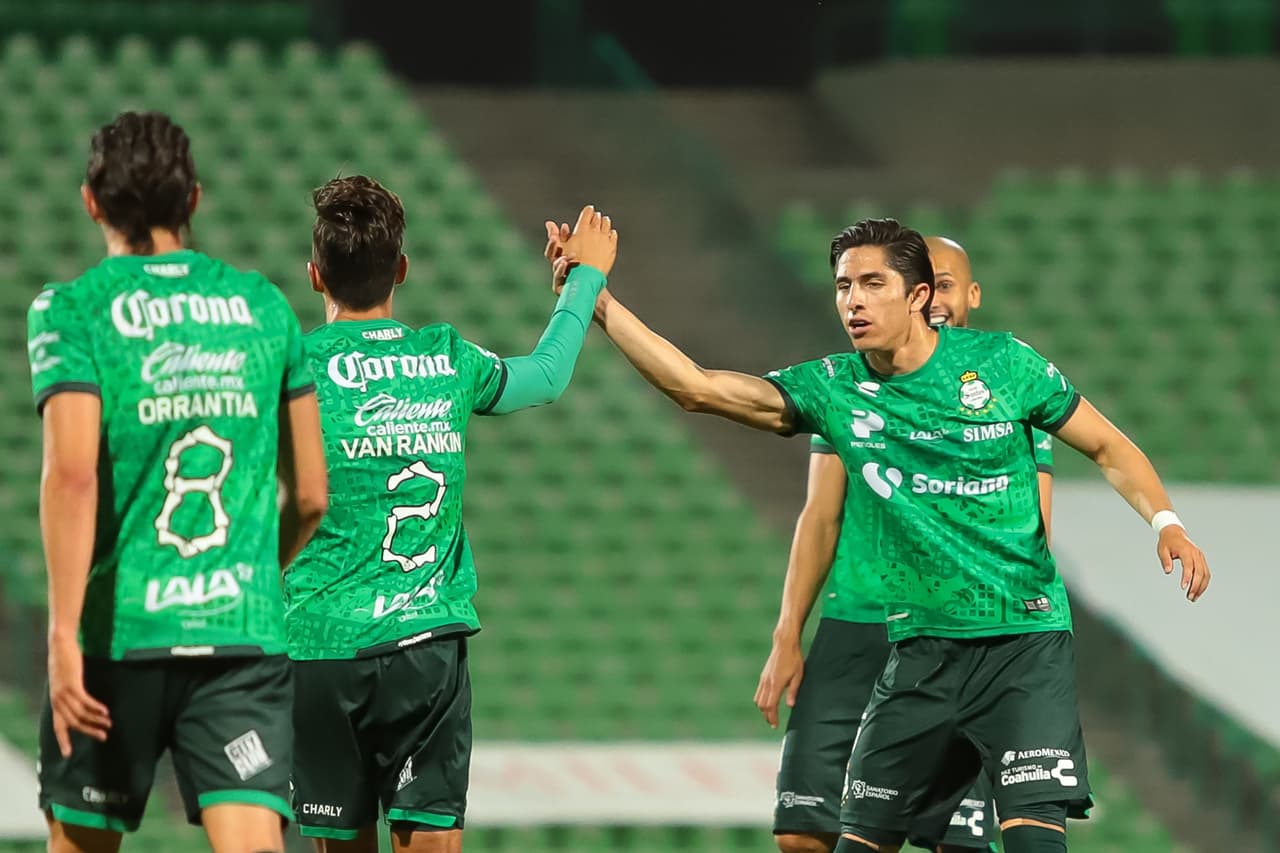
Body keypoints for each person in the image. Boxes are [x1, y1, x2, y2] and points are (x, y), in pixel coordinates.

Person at [543, 217, 1208, 853]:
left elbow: (1108, 445)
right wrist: (596, 299)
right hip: (919, 653)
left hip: (1022, 647)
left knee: (1032, 839)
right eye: (843, 286)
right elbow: (699, 388)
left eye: (871, 284)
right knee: (850, 839)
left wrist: (1166, 522)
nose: (852, 301)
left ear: (918, 297)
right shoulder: (837, 387)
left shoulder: (1004, 364)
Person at [27, 111, 328, 853]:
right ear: (193, 198)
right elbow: (312, 494)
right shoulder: (265, 307)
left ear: (91, 202)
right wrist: (255, 571)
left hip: (119, 636)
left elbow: (71, 476)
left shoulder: (72, 310)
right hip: (240, 635)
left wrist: (62, 634)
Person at [285, 180, 616, 853]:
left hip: (319, 650)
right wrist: (584, 281)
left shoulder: (292, 369)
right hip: (424, 652)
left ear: (315, 273)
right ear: (401, 270)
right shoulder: (445, 356)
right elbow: (547, 375)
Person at [756, 235, 1054, 853]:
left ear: (971, 294)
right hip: (858, 619)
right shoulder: (855, 388)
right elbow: (820, 516)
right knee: (804, 832)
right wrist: (787, 635)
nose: (936, 300)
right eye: (928, 286)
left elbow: (1035, 527)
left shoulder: (1003, 387)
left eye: (947, 285)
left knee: (955, 840)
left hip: (958, 633)